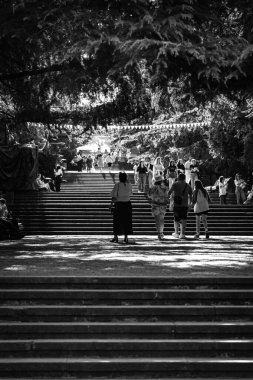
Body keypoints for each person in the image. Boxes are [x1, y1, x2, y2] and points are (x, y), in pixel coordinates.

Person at [110, 172, 133, 243]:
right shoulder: (129, 185)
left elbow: (114, 196)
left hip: (119, 204)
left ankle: (115, 236)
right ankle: (126, 237)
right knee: (127, 221)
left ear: (119, 178)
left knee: (116, 221)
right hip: (127, 204)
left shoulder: (117, 185)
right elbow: (130, 193)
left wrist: (111, 204)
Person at [168, 172, 193, 239]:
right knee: (184, 219)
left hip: (176, 204)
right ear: (184, 178)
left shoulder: (175, 184)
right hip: (185, 204)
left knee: (176, 219)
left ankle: (176, 233)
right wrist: (190, 203)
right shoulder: (188, 185)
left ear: (178, 178)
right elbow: (191, 195)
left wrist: (170, 200)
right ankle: (182, 234)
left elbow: (169, 192)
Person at [148, 175, 169, 240]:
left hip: (155, 205)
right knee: (162, 219)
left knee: (157, 220)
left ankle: (159, 233)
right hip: (163, 205)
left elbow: (149, 195)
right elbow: (167, 196)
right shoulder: (165, 188)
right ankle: (161, 233)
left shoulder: (152, 188)